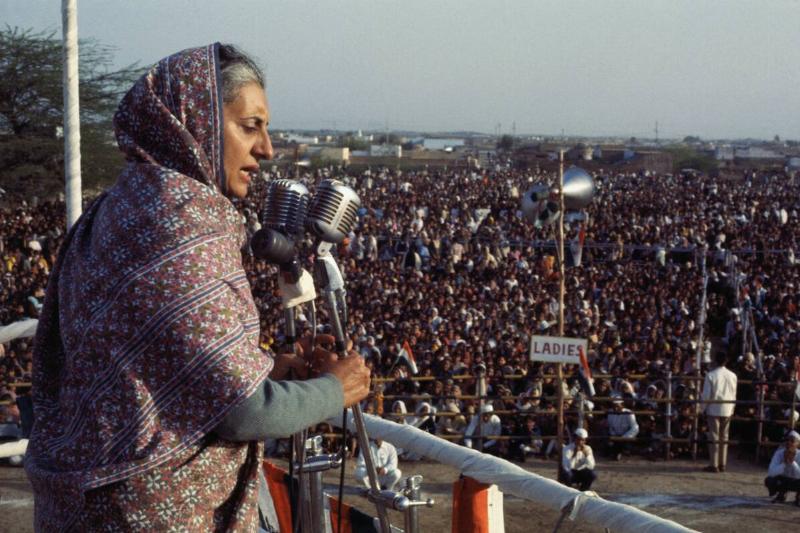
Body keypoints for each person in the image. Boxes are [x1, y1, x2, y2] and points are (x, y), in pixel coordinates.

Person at [25, 43, 371, 532]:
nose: (266, 149)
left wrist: (268, 367)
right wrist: (335, 390)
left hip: (82, 507)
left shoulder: (116, 208)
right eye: (250, 126)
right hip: (151, 511)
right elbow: (244, 411)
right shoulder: (186, 220)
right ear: (197, 121)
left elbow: (144, 362)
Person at [702, 351, 738, 472]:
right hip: (727, 408)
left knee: (714, 436)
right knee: (724, 437)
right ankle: (722, 463)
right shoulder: (733, 375)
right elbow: (734, 394)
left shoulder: (711, 375)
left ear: (715, 360)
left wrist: (702, 408)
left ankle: (714, 464)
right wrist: (732, 408)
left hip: (714, 408)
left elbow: (706, 395)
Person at [764, 431, 800, 505]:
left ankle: (799, 497)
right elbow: (771, 472)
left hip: (796, 481)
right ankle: (781, 494)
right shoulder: (779, 453)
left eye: (792, 441)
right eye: (787, 440)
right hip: (783, 480)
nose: (789, 443)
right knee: (769, 480)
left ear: (798, 444)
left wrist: (792, 463)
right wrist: (784, 464)